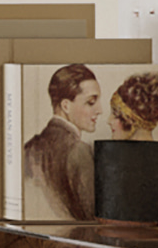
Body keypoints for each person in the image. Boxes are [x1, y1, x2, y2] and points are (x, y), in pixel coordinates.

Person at [22, 61, 104, 219]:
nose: (99, 110)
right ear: (66, 106)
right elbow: (92, 219)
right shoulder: (79, 151)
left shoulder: (30, 146)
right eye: (91, 102)